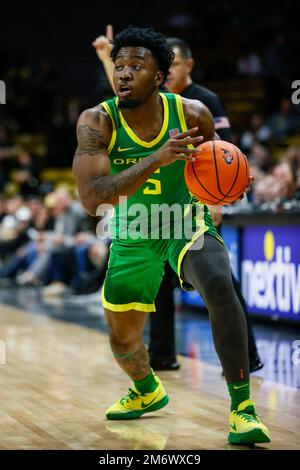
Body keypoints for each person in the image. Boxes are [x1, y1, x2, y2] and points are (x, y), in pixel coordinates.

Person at [73, 26, 270, 444]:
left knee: (219, 284)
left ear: (160, 77)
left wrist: (232, 183)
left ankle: (242, 408)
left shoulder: (194, 113)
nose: (124, 73)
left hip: (186, 221)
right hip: (134, 231)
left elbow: (215, 166)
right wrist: (155, 160)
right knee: (123, 341)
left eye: (136, 66)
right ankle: (146, 390)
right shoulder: (96, 121)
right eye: (119, 65)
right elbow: (92, 200)